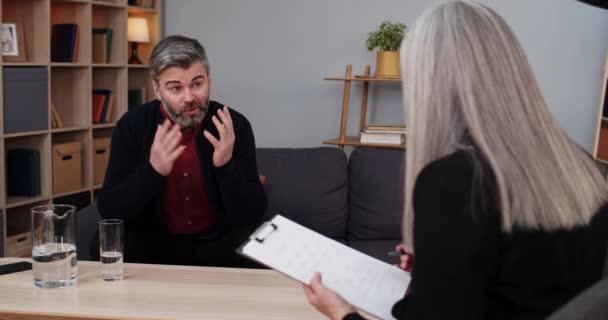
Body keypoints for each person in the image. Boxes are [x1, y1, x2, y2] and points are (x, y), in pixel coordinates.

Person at [303, 1, 608, 319]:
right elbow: (523, 280)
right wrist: (437, 269)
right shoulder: (581, 166)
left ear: (428, 84)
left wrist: (341, 312)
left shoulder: (455, 181)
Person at [96, 35, 267, 267]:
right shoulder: (132, 126)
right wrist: (153, 171)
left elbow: (252, 214)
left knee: (257, 248)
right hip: (154, 245)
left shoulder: (234, 125)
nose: (189, 98)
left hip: (216, 243)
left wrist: (225, 166)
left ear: (209, 80)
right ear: (157, 90)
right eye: (175, 88)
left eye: (197, 84)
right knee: (102, 243)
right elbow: (110, 209)